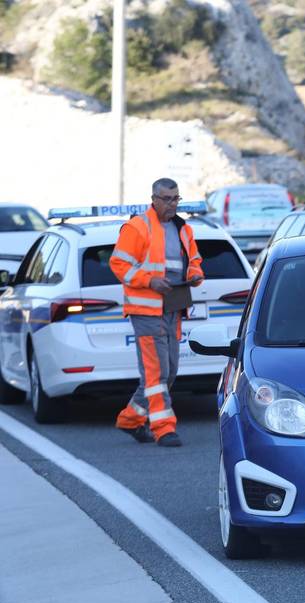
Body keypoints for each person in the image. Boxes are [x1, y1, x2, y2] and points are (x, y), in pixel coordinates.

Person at [110, 178, 204, 447]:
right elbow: (118, 264)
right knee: (156, 373)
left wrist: (195, 274)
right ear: (153, 199)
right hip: (146, 310)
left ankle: (131, 419)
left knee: (170, 370)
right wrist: (149, 280)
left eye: (176, 198)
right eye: (166, 199)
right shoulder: (138, 227)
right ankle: (164, 428)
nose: (172, 204)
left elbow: (194, 260)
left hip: (172, 306)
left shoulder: (183, 228)